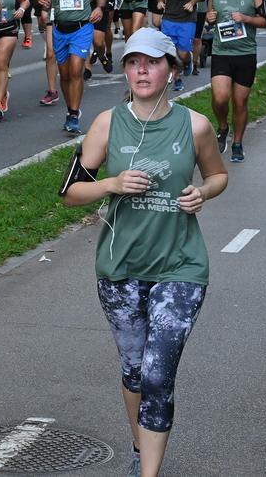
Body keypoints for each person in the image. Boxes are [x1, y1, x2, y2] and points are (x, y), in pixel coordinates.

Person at [61, 27, 228, 477]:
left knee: (157, 375)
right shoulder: (107, 124)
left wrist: (203, 192)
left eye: (152, 62)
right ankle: (140, 446)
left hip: (181, 266)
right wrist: (111, 184)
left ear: (172, 70)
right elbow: (69, 191)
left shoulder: (195, 125)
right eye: (133, 62)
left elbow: (217, 175)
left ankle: (148, 472)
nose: (141, 70)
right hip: (120, 268)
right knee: (135, 371)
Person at [37, 0, 105, 133]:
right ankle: (70, 109)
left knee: (76, 71)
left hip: (82, 28)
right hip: (59, 29)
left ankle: (74, 114)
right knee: (65, 76)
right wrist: (43, 1)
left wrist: (99, 8)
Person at [206, 0, 266, 162]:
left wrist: (246, 18)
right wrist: (210, 18)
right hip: (221, 52)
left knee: (240, 102)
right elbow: (210, 18)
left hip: (245, 53)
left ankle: (238, 143)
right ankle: (223, 126)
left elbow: (264, 21)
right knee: (220, 97)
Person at [156, 0, 205, 92]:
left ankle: (188, 61)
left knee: (182, 53)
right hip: (169, 18)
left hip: (186, 19)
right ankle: (177, 79)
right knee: (170, 52)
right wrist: (160, 0)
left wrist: (192, 3)